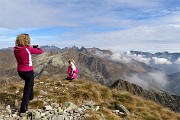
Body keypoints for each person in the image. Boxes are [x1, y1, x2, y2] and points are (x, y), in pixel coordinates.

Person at [13, 33, 42, 115]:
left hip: (20, 71)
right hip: (28, 71)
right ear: (27, 40)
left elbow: (24, 47)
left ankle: (31, 97)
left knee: (30, 83)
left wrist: (30, 46)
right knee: (27, 89)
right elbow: (40, 52)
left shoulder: (16, 49)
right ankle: (23, 109)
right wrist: (38, 47)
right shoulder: (28, 49)